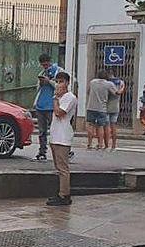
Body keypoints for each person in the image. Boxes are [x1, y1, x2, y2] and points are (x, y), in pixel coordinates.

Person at [46, 72, 78, 207]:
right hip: (55, 135)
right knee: (58, 167)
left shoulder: (70, 98)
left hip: (63, 137)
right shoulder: (60, 97)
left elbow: (59, 113)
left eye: (61, 81)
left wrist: (55, 99)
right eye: (57, 81)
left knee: (63, 168)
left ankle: (64, 194)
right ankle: (60, 192)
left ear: (67, 83)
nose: (59, 84)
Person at [32, 54, 61, 162]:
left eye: (46, 64)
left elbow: (60, 86)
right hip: (41, 106)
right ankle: (42, 151)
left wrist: (49, 81)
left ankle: (61, 151)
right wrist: (41, 82)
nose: (45, 66)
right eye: (43, 65)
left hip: (52, 106)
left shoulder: (58, 71)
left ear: (50, 61)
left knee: (55, 130)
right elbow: (37, 89)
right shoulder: (42, 73)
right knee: (42, 131)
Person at [85, 70, 113, 150]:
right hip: (102, 108)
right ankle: (100, 144)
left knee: (90, 125)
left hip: (91, 107)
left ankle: (89, 144)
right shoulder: (108, 84)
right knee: (100, 126)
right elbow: (115, 93)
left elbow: (88, 92)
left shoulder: (92, 82)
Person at [105, 75, 125, 150]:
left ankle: (106, 145)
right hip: (115, 107)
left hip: (106, 107)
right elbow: (119, 92)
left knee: (107, 126)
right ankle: (113, 145)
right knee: (113, 126)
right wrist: (123, 87)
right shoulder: (120, 83)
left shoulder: (107, 83)